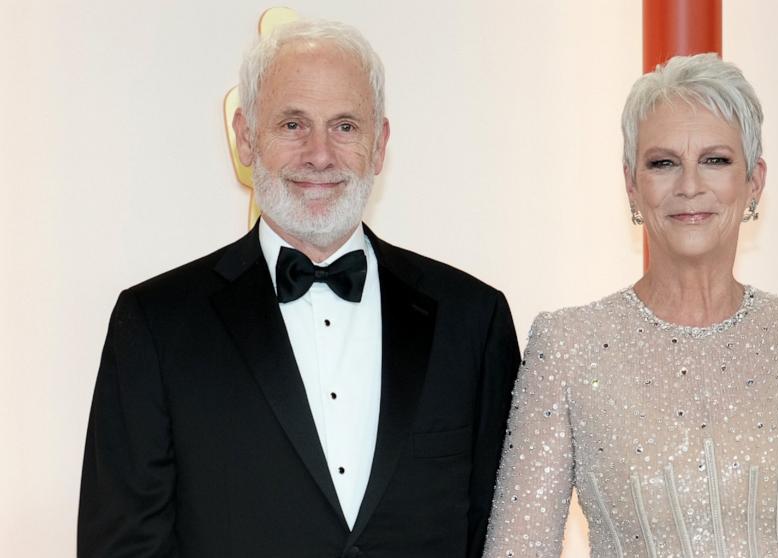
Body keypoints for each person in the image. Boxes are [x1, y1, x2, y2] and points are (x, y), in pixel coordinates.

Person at [78, 19, 520, 558]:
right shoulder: (154, 324)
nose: (319, 155)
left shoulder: (473, 320)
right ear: (246, 136)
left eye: (345, 127)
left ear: (379, 145)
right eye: (292, 125)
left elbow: (499, 535)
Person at [483, 53, 778, 557]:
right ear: (632, 186)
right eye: (663, 163)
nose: (689, 186)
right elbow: (517, 548)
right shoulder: (568, 347)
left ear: (754, 181)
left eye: (715, 160)